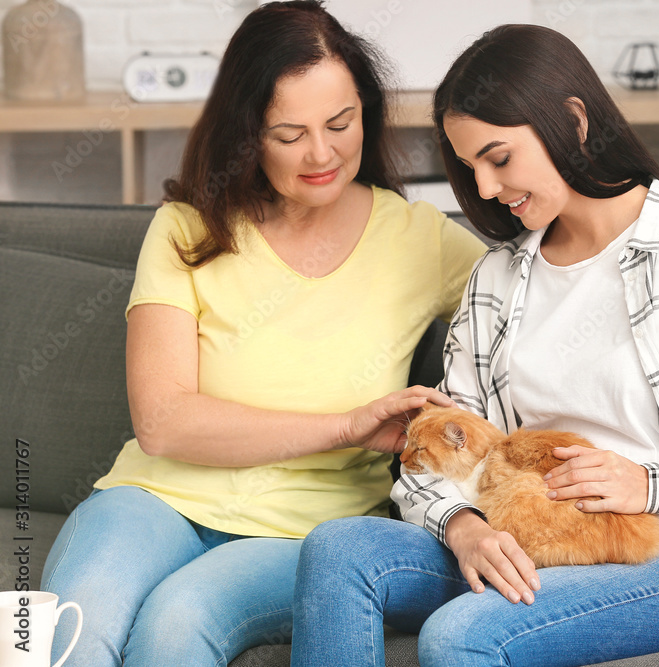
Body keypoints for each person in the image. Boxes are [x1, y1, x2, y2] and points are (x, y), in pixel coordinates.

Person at [292, 24, 659, 667]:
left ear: (574, 121)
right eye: (472, 168)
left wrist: (650, 483)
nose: (488, 189)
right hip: (518, 532)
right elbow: (448, 447)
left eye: (499, 159)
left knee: (462, 635)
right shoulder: (495, 282)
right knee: (337, 553)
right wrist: (463, 527)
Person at [40, 2, 484, 665]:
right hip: (153, 499)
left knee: (176, 621)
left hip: (305, 532)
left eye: (341, 122)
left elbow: (539, 308)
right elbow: (163, 422)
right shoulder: (186, 228)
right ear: (248, 133)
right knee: (60, 631)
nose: (322, 152)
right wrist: (343, 425)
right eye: (289, 133)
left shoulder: (420, 241)